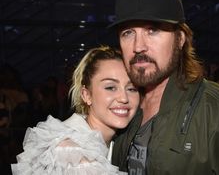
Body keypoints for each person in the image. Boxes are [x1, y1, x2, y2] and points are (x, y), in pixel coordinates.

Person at [108, 0, 219, 174]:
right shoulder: (120, 104)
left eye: (153, 30)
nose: (138, 46)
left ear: (180, 38)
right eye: (128, 33)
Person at [11, 46, 140, 174]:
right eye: (111, 87)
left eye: (132, 89)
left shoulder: (114, 141)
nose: (124, 98)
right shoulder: (73, 154)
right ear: (86, 95)